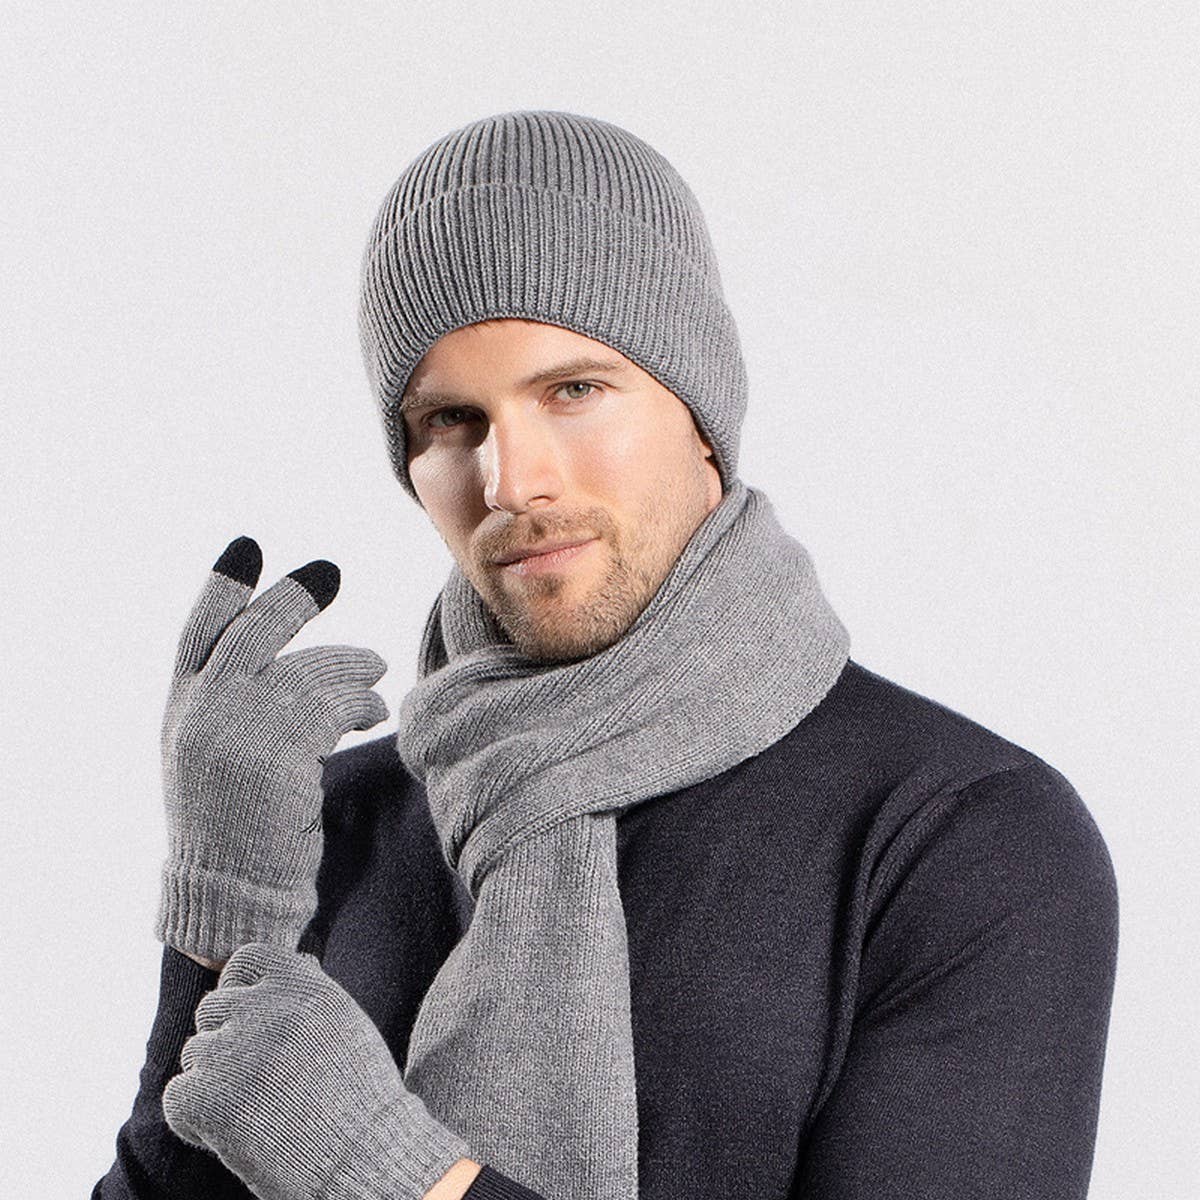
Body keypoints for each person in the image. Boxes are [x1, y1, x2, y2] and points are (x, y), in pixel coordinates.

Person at [92, 109, 1119, 1200]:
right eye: (451, 420)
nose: (513, 481)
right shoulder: (326, 828)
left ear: (701, 409)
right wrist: (224, 912)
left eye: (572, 390)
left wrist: (390, 1176)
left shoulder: (962, 838)